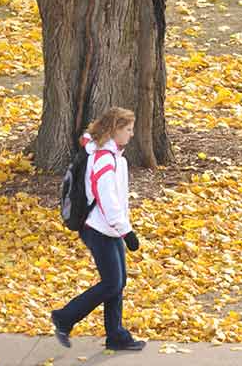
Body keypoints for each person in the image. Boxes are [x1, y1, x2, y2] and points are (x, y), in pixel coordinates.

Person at [50, 107, 146, 351]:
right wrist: (127, 232)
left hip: (108, 227)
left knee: (118, 281)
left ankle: (116, 336)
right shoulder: (104, 158)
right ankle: (64, 317)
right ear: (114, 130)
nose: (131, 135)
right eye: (128, 129)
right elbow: (107, 199)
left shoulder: (112, 155)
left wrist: (121, 228)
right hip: (98, 228)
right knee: (112, 283)